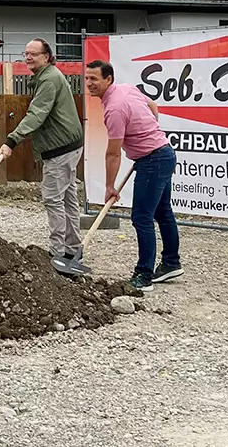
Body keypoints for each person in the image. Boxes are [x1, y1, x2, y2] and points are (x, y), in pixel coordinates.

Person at [84, 59, 183, 292]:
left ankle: (144, 275)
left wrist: (109, 186)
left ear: (108, 79)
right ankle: (171, 262)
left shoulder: (114, 109)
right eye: (87, 78)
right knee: (162, 211)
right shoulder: (128, 88)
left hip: (153, 160)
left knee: (141, 217)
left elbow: (113, 154)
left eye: (94, 79)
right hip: (164, 153)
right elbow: (153, 107)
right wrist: (149, 132)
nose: (89, 83)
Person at [0, 39, 84, 265]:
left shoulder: (49, 79)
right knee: (67, 198)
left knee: (53, 198)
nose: (28, 58)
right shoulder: (46, 77)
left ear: (46, 56)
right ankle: (72, 248)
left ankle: (59, 253)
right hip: (67, 144)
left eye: (33, 54)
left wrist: (12, 140)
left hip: (60, 148)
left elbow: (37, 114)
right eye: (25, 53)